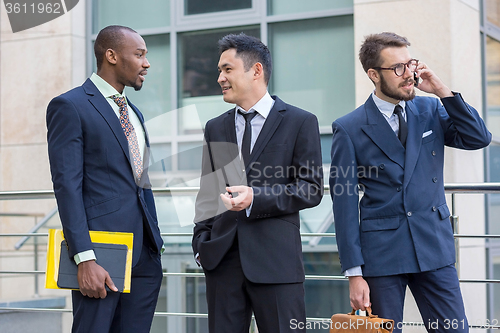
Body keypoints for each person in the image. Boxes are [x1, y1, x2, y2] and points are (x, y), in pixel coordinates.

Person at [329, 32, 491, 333]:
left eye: (410, 64)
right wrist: (354, 273)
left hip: (434, 246)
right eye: (398, 68)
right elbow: (345, 203)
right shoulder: (349, 128)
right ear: (374, 74)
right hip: (382, 255)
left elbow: (478, 137)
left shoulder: (430, 109)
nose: (409, 75)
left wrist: (441, 90)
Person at [192, 33, 323, 333]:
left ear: (256, 71)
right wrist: (201, 244)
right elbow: (208, 193)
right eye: (219, 71)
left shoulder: (300, 122)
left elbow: (311, 188)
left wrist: (256, 198)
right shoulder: (216, 127)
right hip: (222, 263)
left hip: (277, 264)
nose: (219, 78)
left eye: (227, 69)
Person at [46, 25, 164, 333]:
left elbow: (140, 182)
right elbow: (67, 186)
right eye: (139, 55)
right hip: (101, 257)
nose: (146, 63)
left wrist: (155, 242)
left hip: (145, 257)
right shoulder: (70, 106)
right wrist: (84, 258)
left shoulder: (134, 112)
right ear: (111, 56)